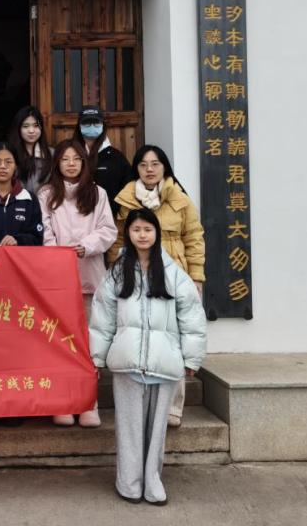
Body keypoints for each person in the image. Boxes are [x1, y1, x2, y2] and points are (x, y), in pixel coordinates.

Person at [89, 208, 206, 506]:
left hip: (163, 364)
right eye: (136, 229)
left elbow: (192, 317)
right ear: (128, 233)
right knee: (128, 429)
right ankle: (129, 483)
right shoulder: (117, 273)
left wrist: (191, 359)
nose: (142, 235)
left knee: (156, 431)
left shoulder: (173, 273)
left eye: (147, 229)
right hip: (127, 364)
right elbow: (103, 317)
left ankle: (153, 482)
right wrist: (97, 356)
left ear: (156, 233)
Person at [107, 144, 205, 428]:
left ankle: (173, 406)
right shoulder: (126, 200)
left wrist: (196, 276)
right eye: (143, 164)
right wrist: (117, 272)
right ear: (136, 168)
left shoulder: (181, 200)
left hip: (173, 277)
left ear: (165, 167)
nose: (149, 170)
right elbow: (117, 240)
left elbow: (194, 238)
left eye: (155, 164)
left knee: (172, 339)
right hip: (135, 276)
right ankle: (141, 404)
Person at [37, 140, 117, 427]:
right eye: (65, 159)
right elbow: (43, 230)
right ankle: (62, 402)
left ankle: (87, 403)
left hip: (90, 277)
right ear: (56, 163)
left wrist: (86, 246)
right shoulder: (46, 194)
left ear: (84, 163)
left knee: (89, 345)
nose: (71, 164)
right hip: (57, 281)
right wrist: (57, 254)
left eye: (76, 159)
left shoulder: (98, 193)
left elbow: (108, 230)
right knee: (59, 343)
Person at [76, 106, 132, 215]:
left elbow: (128, 186)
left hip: (108, 217)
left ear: (103, 125)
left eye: (96, 123)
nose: (92, 126)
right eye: (87, 123)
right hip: (76, 216)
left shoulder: (116, 157)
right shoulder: (71, 153)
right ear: (79, 126)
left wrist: (116, 209)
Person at [7, 106, 53, 195]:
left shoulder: (51, 154)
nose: (31, 131)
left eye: (36, 126)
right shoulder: (9, 154)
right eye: (26, 126)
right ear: (18, 128)